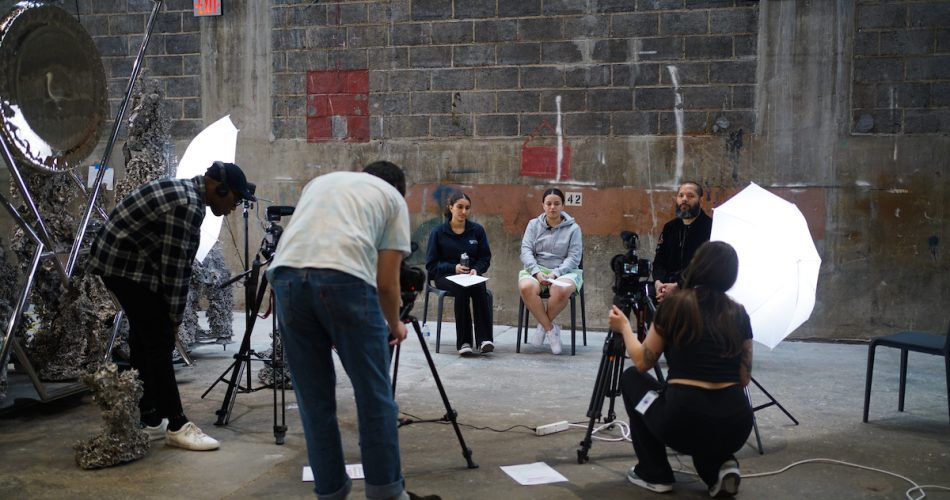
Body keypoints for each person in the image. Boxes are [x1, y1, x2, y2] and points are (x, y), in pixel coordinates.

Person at [269, 162, 431, 500]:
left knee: (314, 402)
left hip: (285, 280)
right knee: (375, 397)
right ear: (400, 189)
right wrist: (394, 324)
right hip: (344, 281)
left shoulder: (321, 181)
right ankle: (387, 492)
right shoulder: (393, 200)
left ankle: (330, 492)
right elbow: (387, 283)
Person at [88, 161, 256, 451]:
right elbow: (175, 271)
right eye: (235, 199)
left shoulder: (188, 196)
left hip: (125, 263)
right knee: (160, 340)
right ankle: (177, 424)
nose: (233, 208)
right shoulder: (188, 205)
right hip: (122, 266)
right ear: (220, 188)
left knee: (144, 338)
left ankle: (150, 417)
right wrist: (174, 318)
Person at [608, 241, 754, 498]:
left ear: (697, 266)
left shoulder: (674, 306)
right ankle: (720, 468)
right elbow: (744, 379)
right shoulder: (739, 313)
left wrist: (624, 328)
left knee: (632, 380)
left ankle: (655, 473)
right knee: (708, 424)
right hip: (736, 424)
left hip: (681, 421)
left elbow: (643, 362)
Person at [425, 191, 494, 356]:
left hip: (470, 276)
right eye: (460, 207)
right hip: (445, 276)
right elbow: (431, 265)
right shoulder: (438, 232)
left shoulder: (477, 230)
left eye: (467, 208)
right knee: (461, 287)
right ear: (451, 207)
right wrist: (453, 268)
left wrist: (476, 269)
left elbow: (485, 257)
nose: (464, 211)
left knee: (479, 284)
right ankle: (464, 342)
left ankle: (484, 340)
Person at [518, 187, 583, 355]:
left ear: (562, 206)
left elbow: (574, 257)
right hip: (537, 269)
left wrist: (556, 274)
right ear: (543, 205)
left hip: (565, 270)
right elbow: (526, 251)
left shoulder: (574, 229)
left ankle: (542, 326)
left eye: (556, 204)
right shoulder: (533, 225)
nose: (552, 207)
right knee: (526, 288)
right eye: (549, 204)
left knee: (560, 289)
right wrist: (536, 273)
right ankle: (550, 329)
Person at [652, 181, 712, 302]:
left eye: (690, 196)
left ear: (700, 200)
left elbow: (705, 267)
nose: (684, 199)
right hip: (666, 293)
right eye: (681, 195)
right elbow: (659, 260)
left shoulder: (710, 228)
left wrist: (678, 286)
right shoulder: (670, 227)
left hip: (696, 297)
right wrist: (659, 283)